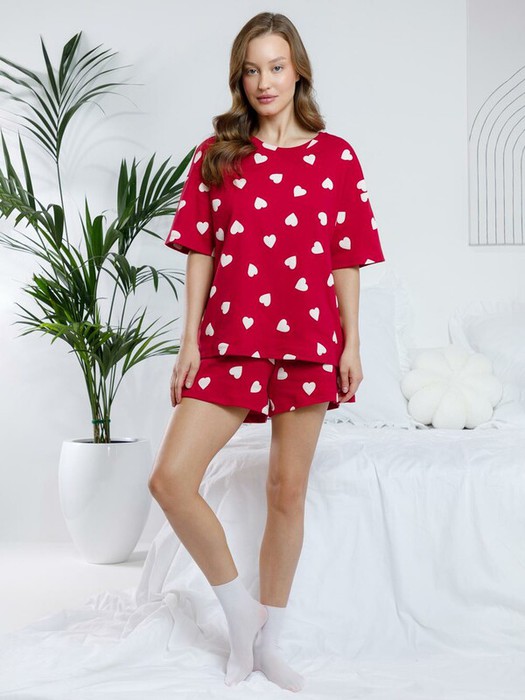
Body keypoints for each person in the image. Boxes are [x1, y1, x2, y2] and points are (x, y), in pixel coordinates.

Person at [148, 10, 385, 693]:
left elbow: (346, 257)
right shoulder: (217, 154)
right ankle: (239, 613)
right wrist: (188, 343)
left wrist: (352, 343)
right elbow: (199, 249)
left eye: (275, 67)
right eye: (251, 70)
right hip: (230, 338)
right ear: (240, 78)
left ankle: (270, 643)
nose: (264, 82)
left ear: (297, 70)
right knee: (170, 480)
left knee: (287, 491)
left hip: (309, 341)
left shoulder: (335, 156)